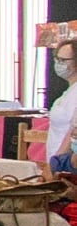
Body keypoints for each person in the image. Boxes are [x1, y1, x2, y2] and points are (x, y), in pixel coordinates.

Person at [49, 41, 77, 175]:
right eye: (57, 59)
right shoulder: (68, 92)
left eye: (64, 60)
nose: (59, 64)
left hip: (65, 165)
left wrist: (57, 163)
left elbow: (72, 131)